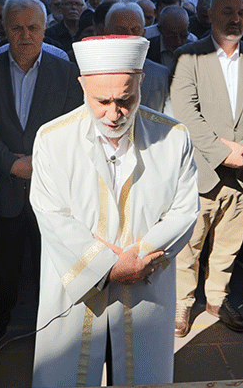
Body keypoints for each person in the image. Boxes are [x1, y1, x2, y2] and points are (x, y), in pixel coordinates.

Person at [30, 35, 199, 387]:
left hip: (144, 283)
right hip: (76, 287)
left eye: (125, 99)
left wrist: (138, 260)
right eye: (102, 101)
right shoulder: (52, 139)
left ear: (140, 83)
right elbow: (51, 214)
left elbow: (184, 210)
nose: (114, 113)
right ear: (82, 86)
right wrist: (107, 265)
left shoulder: (174, 137)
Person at [0, 0, 82, 352]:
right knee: (0, 270)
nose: (25, 35)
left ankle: (53, 334)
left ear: (45, 27)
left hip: (51, 193)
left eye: (33, 27)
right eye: (16, 27)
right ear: (3, 28)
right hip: (2, 190)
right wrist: (12, 163)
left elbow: (73, 127)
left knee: (51, 269)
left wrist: (40, 164)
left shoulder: (65, 73)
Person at [171, 0, 243, 336]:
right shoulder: (188, 56)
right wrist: (223, 152)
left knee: (228, 245)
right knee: (190, 246)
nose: (236, 19)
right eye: (228, 11)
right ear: (210, 15)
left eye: (242, 13)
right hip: (201, 173)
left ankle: (217, 300)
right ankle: (183, 304)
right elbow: (184, 112)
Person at [104, 2, 170, 113]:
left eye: (135, 30)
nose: (129, 35)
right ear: (107, 33)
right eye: (120, 30)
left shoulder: (161, 75)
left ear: (143, 33)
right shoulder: (91, 72)